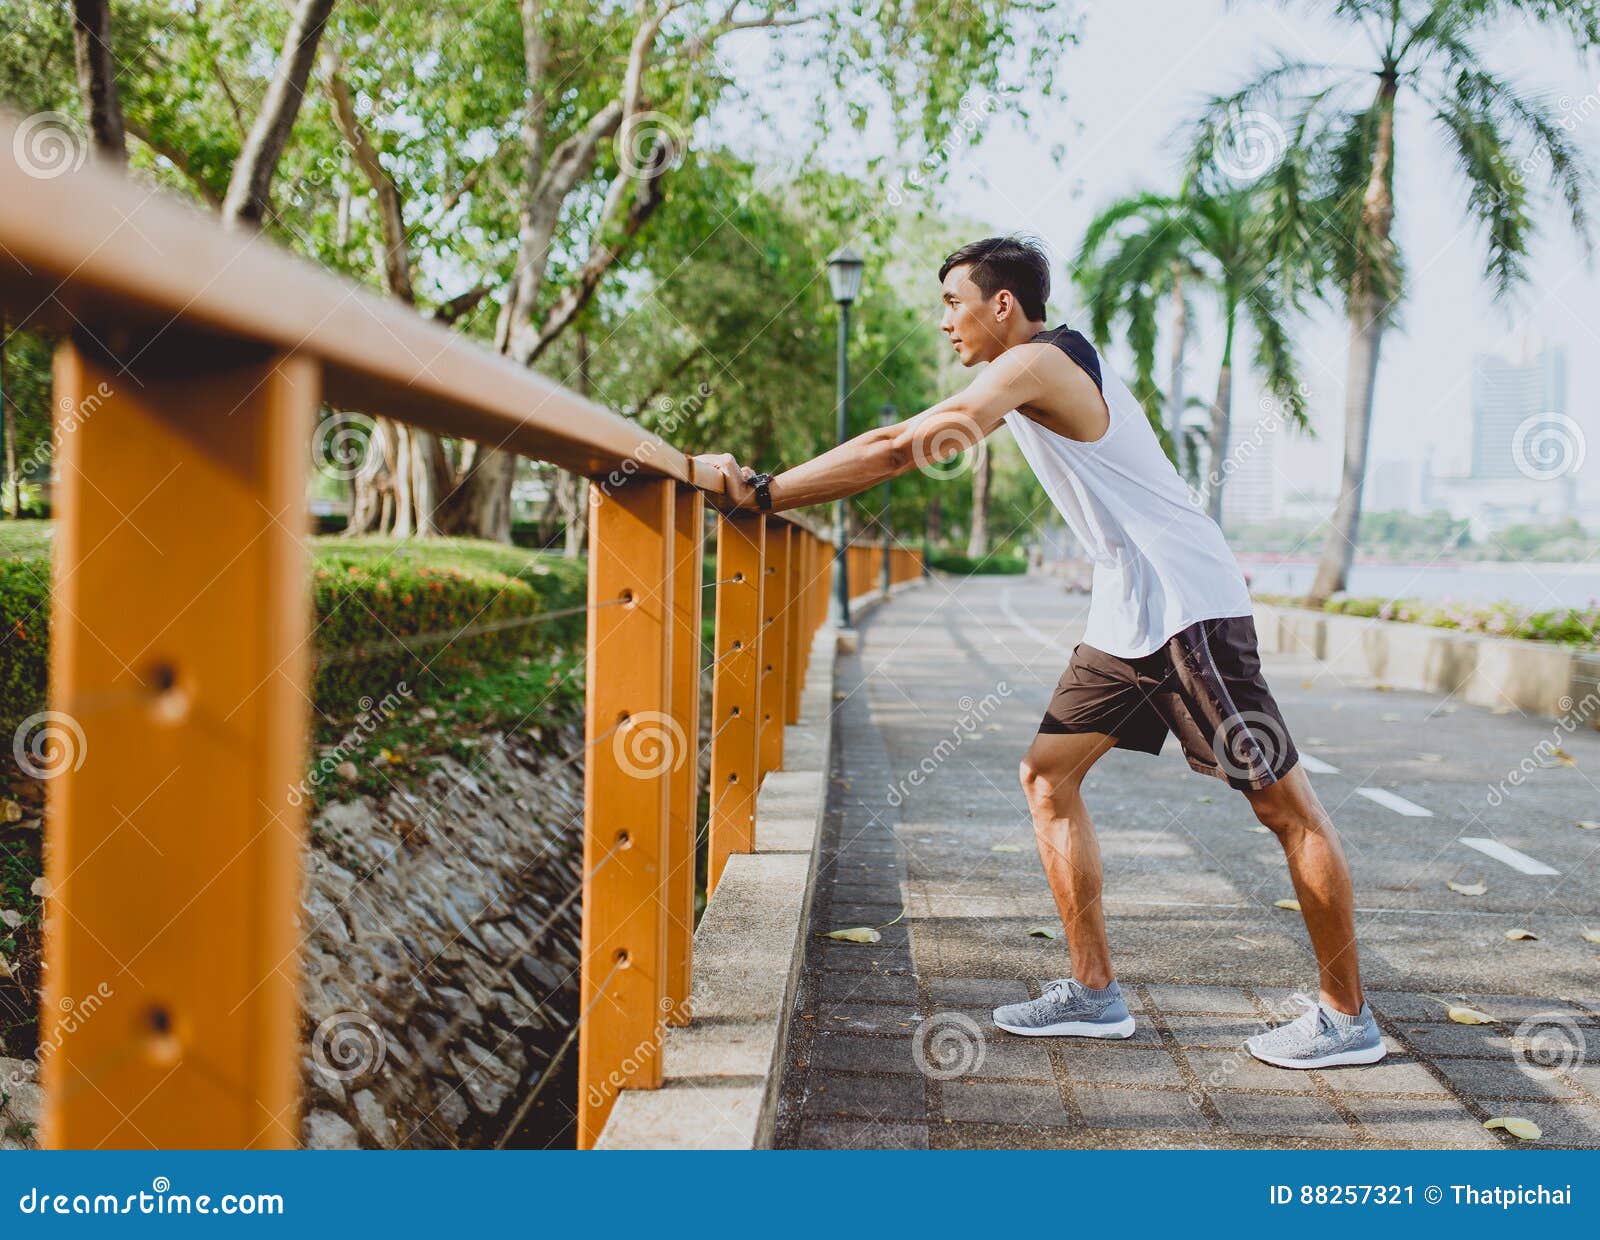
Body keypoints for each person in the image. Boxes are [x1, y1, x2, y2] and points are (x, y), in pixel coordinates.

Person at [697, 235, 1384, 1070]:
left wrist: (763, 494)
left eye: (953, 302)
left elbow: (897, 449)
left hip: (1189, 608)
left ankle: (1347, 1017)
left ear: (1002, 306)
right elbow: (899, 433)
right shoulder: (1026, 371)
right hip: (1127, 609)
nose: (943, 321)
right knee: (1047, 776)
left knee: (1283, 805)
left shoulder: (1038, 365)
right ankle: (1094, 996)